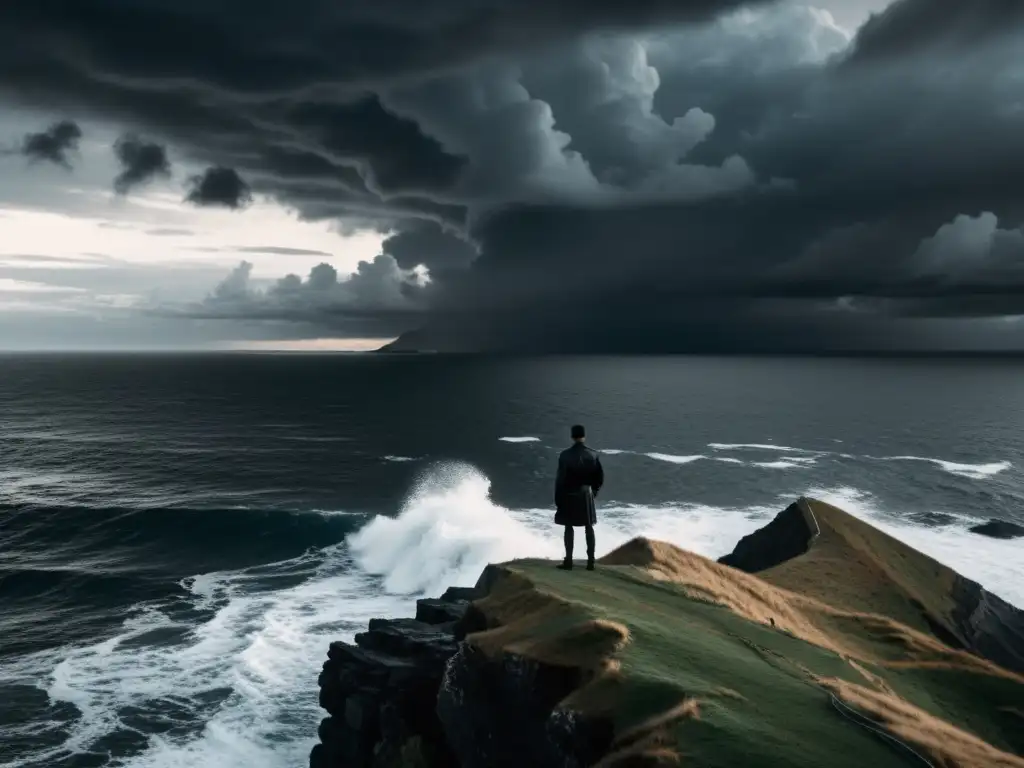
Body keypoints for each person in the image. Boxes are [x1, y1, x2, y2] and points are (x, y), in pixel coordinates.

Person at [554, 424, 604, 571]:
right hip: (586, 495)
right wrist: (593, 492)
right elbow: (599, 478)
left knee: (568, 527)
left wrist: (558, 499)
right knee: (589, 527)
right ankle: (591, 562)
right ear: (584, 436)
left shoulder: (565, 455)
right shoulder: (593, 455)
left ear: (572, 436)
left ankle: (568, 561)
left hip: (569, 494)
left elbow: (560, 480)